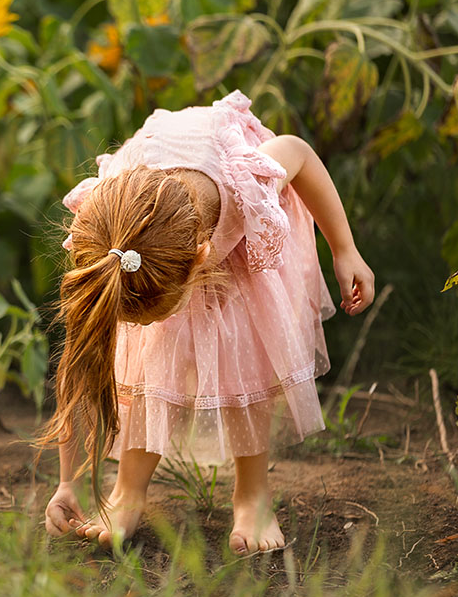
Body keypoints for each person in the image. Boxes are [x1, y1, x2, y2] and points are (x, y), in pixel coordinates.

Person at [38, 91, 375, 554]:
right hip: (161, 213)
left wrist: (344, 248)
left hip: (236, 224)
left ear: (201, 260)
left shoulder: (248, 181)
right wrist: (66, 484)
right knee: (147, 363)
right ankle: (127, 493)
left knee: (249, 355)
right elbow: (79, 367)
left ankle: (252, 494)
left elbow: (298, 151)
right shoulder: (105, 235)